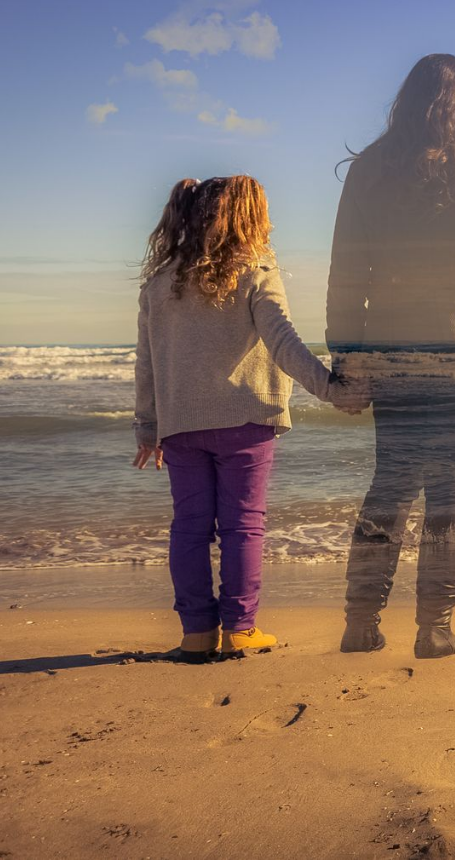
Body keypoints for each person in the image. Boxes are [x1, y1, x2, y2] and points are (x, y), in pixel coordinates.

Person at [326, 54, 455, 659]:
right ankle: (434, 627)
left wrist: (348, 357)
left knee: (390, 483)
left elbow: (348, 274)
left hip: (392, 347)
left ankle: (361, 622)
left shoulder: (369, 170)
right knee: (452, 490)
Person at [133, 175, 334, 662]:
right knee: (242, 526)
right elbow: (283, 340)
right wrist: (330, 387)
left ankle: (196, 635)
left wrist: (147, 427)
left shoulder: (159, 283)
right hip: (245, 417)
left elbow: (147, 362)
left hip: (181, 424)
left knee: (190, 527)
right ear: (250, 217)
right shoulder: (255, 270)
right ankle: (240, 630)